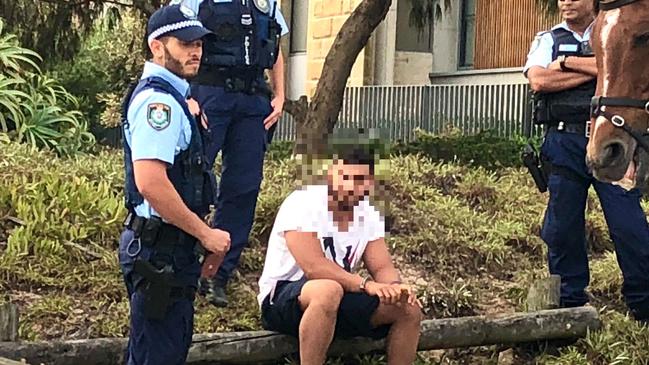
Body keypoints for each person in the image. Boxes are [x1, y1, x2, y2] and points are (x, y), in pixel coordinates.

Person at [117, 4, 231, 364]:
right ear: (157, 46)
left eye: (198, 42)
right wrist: (205, 234)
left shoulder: (176, 98)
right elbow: (151, 182)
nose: (195, 50)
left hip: (166, 249)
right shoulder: (159, 104)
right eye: (184, 43)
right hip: (160, 252)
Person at [524, 0, 649, 323]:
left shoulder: (617, 26)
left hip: (610, 135)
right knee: (562, 227)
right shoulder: (547, 39)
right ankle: (569, 306)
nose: (565, 1)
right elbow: (538, 81)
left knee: (629, 225)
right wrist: (592, 67)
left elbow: (614, 67)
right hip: (564, 140)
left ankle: (643, 303)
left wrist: (565, 64)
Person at [257, 141, 424, 365]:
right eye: (346, 177)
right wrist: (366, 285)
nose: (351, 187)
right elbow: (314, 267)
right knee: (327, 289)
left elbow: (381, 266)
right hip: (283, 298)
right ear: (331, 172)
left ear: (371, 183)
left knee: (408, 309)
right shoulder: (302, 202)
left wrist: (395, 288)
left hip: (340, 296)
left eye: (360, 181)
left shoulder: (369, 212)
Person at [174, 0, 290, 307]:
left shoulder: (264, 2)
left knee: (244, 186)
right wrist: (186, 95)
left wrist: (280, 95)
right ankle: (182, 261)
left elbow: (274, 44)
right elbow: (174, 41)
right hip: (209, 94)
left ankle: (218, 273)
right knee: (193, 178)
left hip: (253, 101)